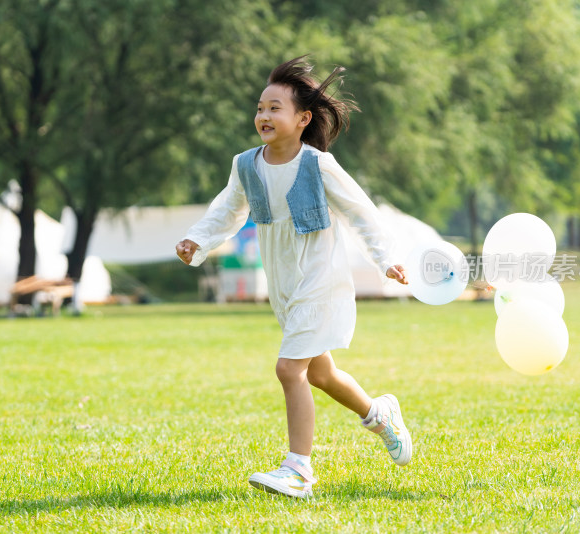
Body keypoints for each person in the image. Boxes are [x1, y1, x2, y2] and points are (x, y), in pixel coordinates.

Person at [176, 56, 411, 499]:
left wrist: (386, 259)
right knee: (320, 373)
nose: (263, 115)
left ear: (303, 119)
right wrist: (196, 239)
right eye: (260, 108)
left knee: (289, 369)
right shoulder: (247, 165)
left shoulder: (317, 165)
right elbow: (227, 210)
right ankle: (380, 414)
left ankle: (298, 469)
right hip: (283, 283)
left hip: (320, 278)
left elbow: (361, 213)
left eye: (274, 108)